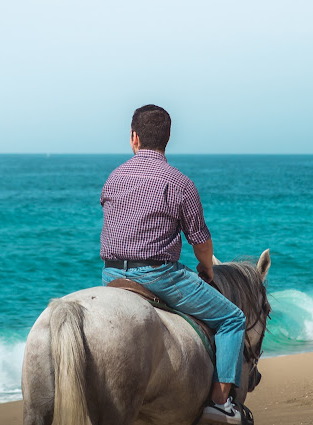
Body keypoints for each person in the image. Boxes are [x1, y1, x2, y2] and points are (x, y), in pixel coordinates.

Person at [100, 104, 247, 424]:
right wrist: (207, 267)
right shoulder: (179, 183)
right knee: (233, 318)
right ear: (167, 139)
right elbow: (200, 243)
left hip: (111, 274)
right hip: (157, 275)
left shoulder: (114, 177)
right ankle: (221, 403)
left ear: (133, 138)